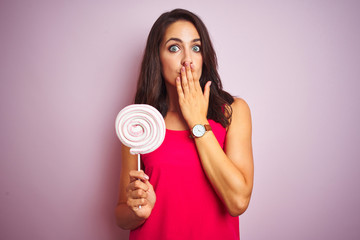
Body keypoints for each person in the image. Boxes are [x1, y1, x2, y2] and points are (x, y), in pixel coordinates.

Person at [115, 8, 254, 240]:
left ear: (204, 56)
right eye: (174, 47)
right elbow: (121, 216)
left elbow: (238, 202)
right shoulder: (141, 123)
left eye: (196, 48)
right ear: (157, 58)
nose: (188, 59)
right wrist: (137, 210)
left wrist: (197, 121)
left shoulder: (233, 111)